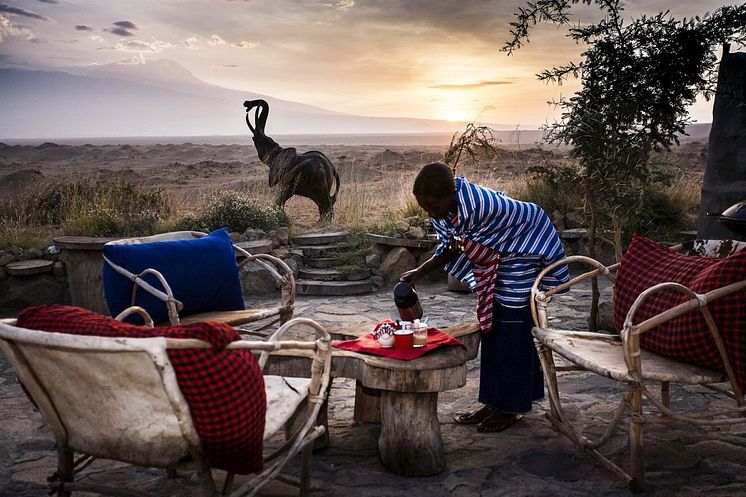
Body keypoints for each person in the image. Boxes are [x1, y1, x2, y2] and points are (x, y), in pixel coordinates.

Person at [400, 162, 569, 432]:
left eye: (434, 207)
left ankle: (511, 407)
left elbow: (459, 245)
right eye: (426, 209)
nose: (432, 214)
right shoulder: (451, 212)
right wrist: (419, 273)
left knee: (513, 327)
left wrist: (423, 270)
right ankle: (494, 402)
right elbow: (452, 244)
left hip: (525, 246)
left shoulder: (478, 208)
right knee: (492, 327)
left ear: (450, 194)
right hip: (503, 254)